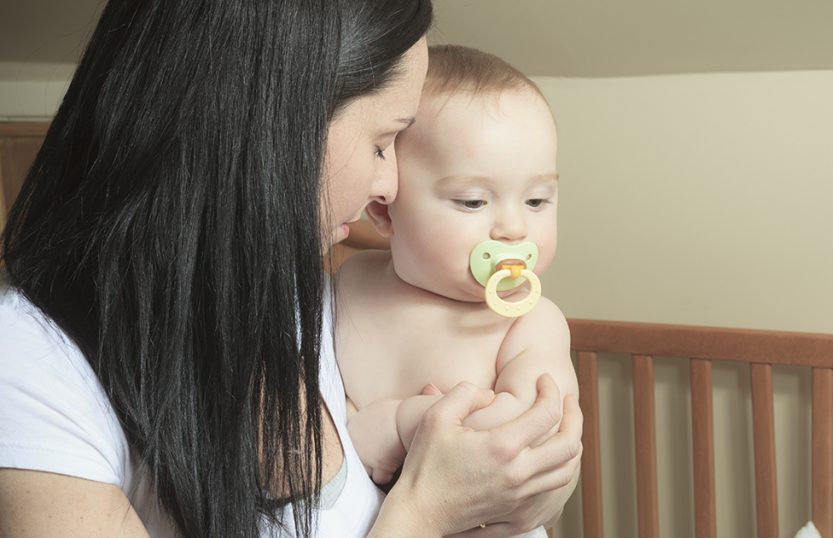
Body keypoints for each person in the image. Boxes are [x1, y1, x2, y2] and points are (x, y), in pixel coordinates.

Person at [0, 2, 582, 537]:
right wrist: (426, 510)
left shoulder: (296, 301)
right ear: (272, 125)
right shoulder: (38, 369)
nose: (389, 186)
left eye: (538, 199)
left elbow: (527, 461)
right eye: (383, 143)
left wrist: (532, 487)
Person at [335, 45, 579, 535]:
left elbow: (530, 432)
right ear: (384, 209)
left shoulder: (528, 324)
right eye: (472, 202)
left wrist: (402, 423)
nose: (513, 228)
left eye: (536, 200)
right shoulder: (352, 283)